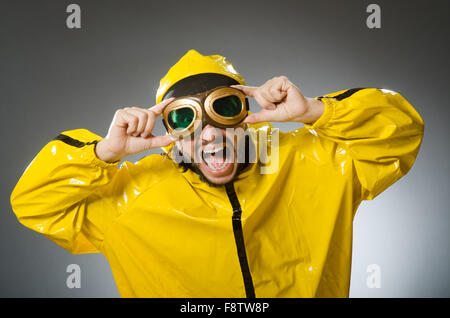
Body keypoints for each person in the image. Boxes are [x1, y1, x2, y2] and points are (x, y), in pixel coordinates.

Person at [10, 49, 424, 297]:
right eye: (185, 118)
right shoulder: (131, 197)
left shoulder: (309, 160)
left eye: (224, 109)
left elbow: (400, 133)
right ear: (168, 128)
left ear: (245, 115)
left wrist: (314, 111)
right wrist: (102, 153)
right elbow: (34, 204)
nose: (208, 134)